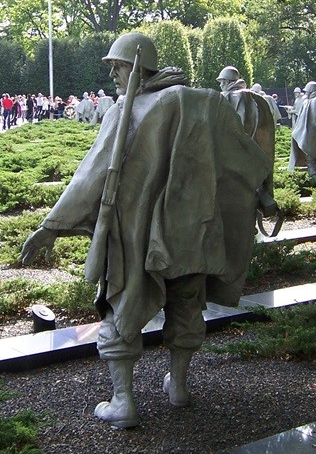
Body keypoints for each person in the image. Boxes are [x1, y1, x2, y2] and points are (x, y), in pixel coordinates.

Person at [20, 32, 270, 429]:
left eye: (116, 67)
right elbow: (246, 157)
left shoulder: (128, 109)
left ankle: (124, 402)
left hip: (136, 234)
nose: (113, 76)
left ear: (134, 65)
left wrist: (52, 226)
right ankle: (179, 387)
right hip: (193, 232)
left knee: (121, 308)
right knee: (187, 305)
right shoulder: (205, 101)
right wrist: (264, 196)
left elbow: (93, 173)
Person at [217, 66, 277, 201]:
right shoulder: (259, 99)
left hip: (234, 167)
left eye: (222, 82)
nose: (221, 86)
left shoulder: (225, 98)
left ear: (228, 82)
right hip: (258, 162)